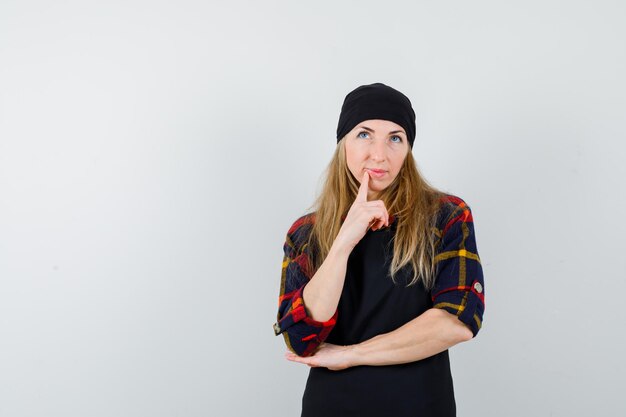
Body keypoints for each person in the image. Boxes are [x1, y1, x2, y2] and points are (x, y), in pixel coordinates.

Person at [273, 82, 485, 417]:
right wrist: (344, 241)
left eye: (395, 138)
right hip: (332, 407)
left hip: (420, 406)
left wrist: (352, 354)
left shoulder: (446, 216)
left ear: (407, 149)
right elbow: (301, 338)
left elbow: (458, 321)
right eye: (364, 134)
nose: (379, 154)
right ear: (343, 143)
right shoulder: (306, 233)